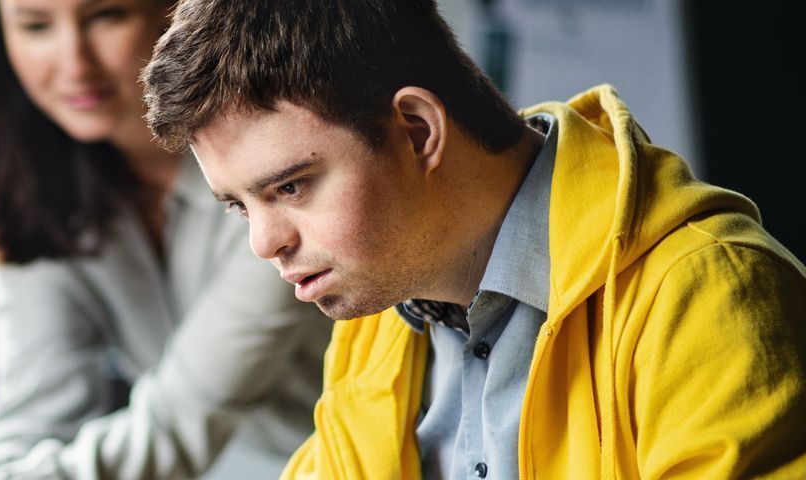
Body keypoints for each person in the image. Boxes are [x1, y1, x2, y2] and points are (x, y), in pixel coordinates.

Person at [141, 0, 806, 478]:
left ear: (418, 132)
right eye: (238, 204)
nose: (264, 242)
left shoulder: (704, 294)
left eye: (290, 187)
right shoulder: (379, 321)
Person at [0, 0, 332, 478]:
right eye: (36, 25)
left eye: (107, 16)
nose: (74, 64)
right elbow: (33, 408)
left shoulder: (275, 165)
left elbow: (184, 418)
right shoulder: (26, 188)